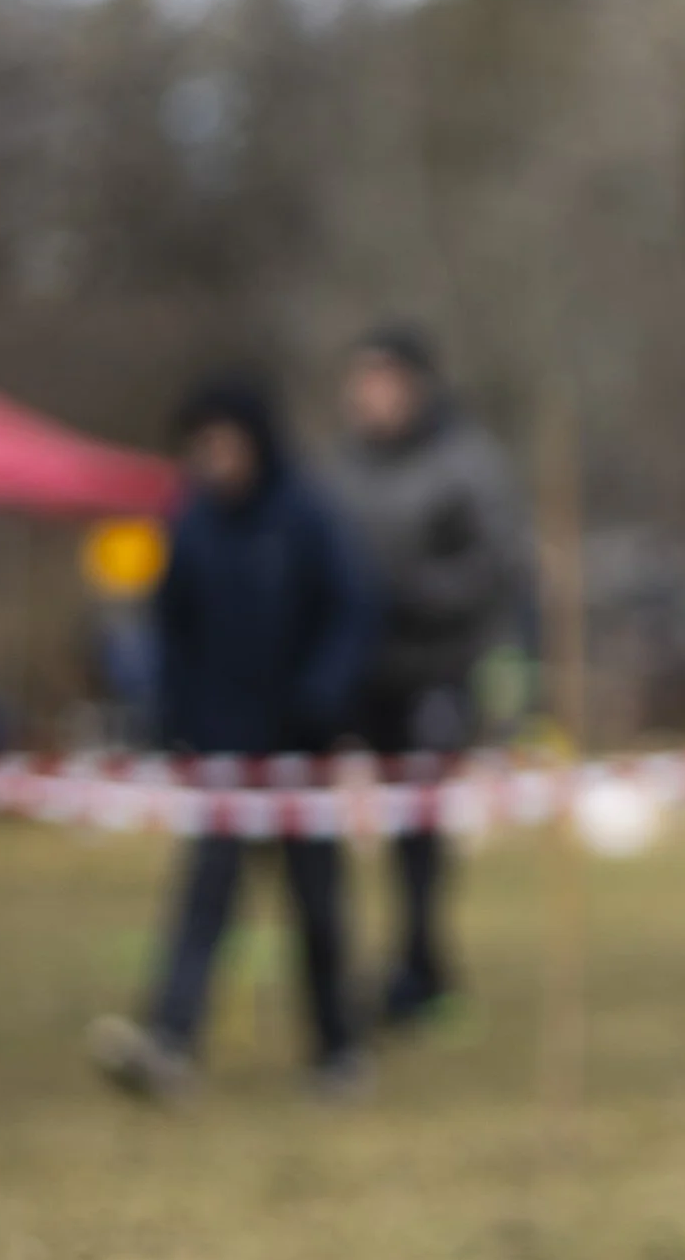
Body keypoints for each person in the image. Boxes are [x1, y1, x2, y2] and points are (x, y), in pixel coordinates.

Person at [88, 376, 373, 1101]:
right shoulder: (192, 523)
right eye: (202, 444)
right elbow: (170, 630)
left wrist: (321, 700)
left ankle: (338, 1049)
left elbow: (350, 612)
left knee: (317, 905)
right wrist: (173, 717)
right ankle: (170, 1041)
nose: (214, 457)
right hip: (222, 750)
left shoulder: (307, 518)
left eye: (225, 442)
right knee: (203, 901)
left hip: (301, 750)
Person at [326, 325, 530, 1023]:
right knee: (357, 827)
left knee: (421, 829)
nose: (371, 395)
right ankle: (372, 968)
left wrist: (413, 591)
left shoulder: (465, 463)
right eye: (363, 380)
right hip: (362, 671)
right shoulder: (344, 469)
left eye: (384, 379)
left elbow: (497, 565)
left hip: (439, 668)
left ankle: (421, 963)